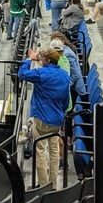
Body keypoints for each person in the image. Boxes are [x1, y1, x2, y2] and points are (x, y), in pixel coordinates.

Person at [18, 47, 71, 189]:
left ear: (47, 60)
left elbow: (22, 74)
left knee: (40, 149)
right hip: (57, 119)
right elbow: (66, 100)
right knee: (54, 150)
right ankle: (53, 183)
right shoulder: (64, 75)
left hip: (42, 118)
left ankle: (43, 184)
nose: (39, 59)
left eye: (41, 58)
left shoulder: (42, 74)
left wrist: (29, 59)